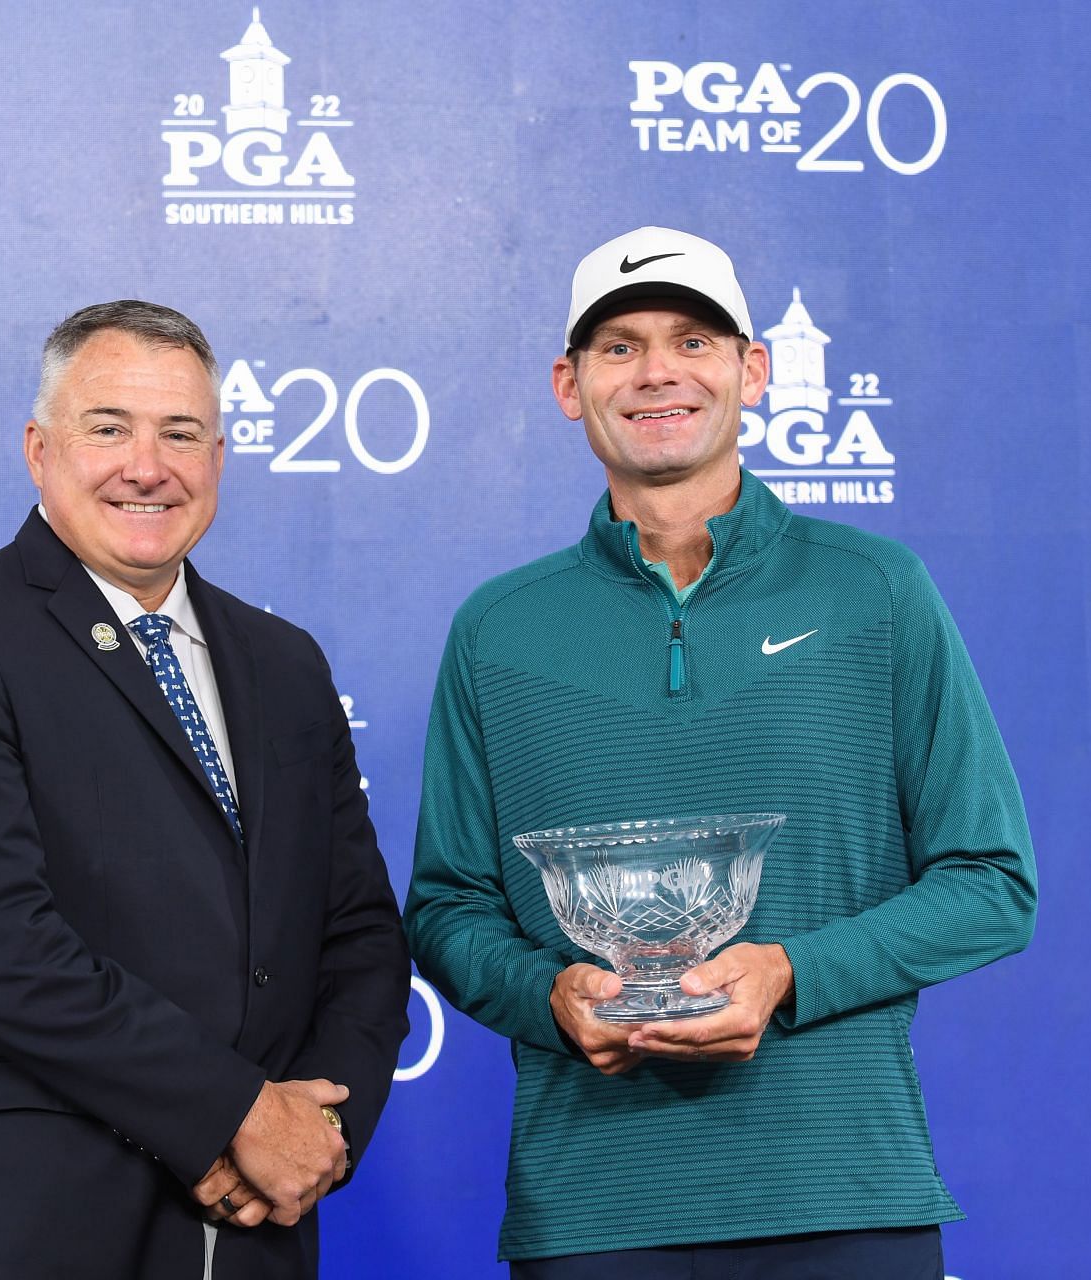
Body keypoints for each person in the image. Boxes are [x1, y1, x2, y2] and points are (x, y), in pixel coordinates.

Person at [405, 227, 1037, 1278]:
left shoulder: (877, 590)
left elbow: (992, 882)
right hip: (595, 1207)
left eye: (693, 339)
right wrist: (552, 998)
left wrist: (790, 970)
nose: (657, 370)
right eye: (619, 346)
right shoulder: (497, 628)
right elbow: (445, 908)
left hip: (844, 1189)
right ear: (570, 384)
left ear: (753, 370)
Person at [0, 300, 411, 1279]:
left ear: (220, 459)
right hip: (28, 1224)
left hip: (258, 1231)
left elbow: (360, 934)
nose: (146, 465)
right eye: (108, 427)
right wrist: (232, 1114)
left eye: (181, 433)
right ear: (39, 449)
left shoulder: (284, 663)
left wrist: (316, 1130)